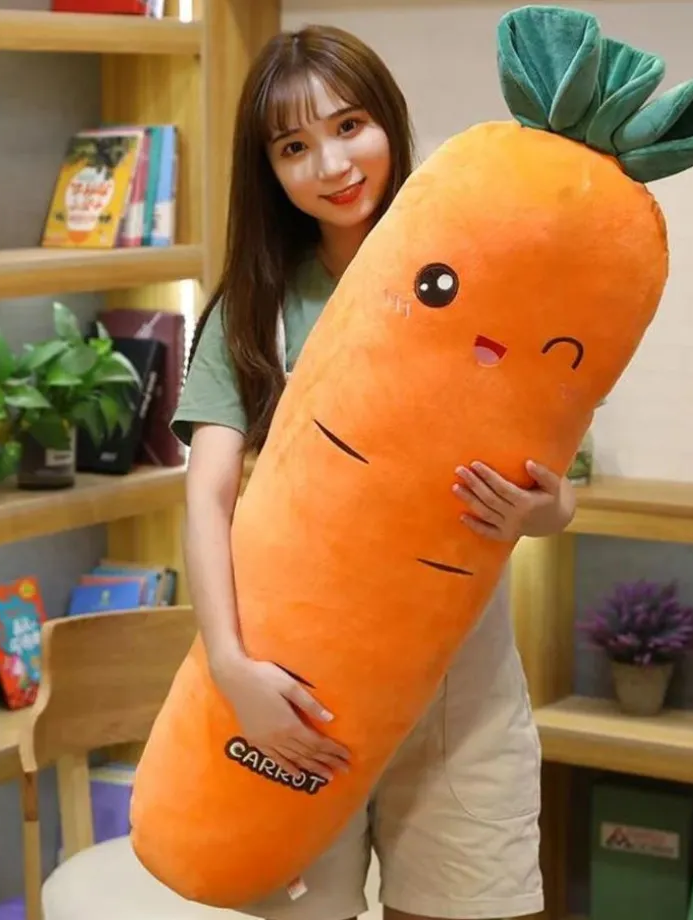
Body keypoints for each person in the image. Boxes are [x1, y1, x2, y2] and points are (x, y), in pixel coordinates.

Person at [170, 23, 577, 920]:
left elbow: (554, 486)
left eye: (349, 126)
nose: (331, 164)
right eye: (294, 146)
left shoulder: (481, 274)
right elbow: (206, 498)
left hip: (461, 691)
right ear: (268, 170)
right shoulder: (255, 308)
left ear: (389, 120)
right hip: (296, 690)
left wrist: (545, 510)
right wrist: (233, 668)